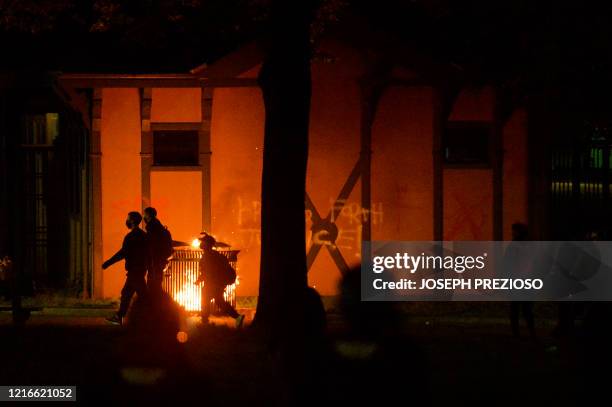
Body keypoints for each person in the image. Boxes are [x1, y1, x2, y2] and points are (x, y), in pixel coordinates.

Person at [103, 211, 149, 325]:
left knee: (127, 293)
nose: (127, 221)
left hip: (134, 270)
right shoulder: (143, 235)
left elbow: (122, 253)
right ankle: (152, 316)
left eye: (128, 218)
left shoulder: (130, 236)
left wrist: (108, 263)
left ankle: (120, 316)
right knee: (142, 295)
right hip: (140, 270)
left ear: (132, 221)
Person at [196, 233, 244, 328]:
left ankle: (204, 322)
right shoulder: (211, 255)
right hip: (216, 284)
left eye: (203, 242)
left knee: (206, 300)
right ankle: (237, 317)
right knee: (219, 302)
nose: (201, 243)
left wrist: (200, 279)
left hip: (213, 284)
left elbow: (208, 271)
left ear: (208, 244)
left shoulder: (209, 256)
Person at [506, 222, 536, 338]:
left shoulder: (515, 246)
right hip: (524, 280)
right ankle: (528, 332)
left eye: (514, 231)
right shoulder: (529, 245)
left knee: (518, 309)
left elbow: (508, 263)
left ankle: (519, 333)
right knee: (524, 309)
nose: (512, 233)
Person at [143, 207, 173, 292]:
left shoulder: (152, 227)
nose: (143, 217)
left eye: (144, 214)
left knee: (153, 282)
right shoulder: (159, 226)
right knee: (156, 281)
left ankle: (155, 302)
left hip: (155, 260)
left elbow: (152, 245)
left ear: (148, 215)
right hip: (159, 259)